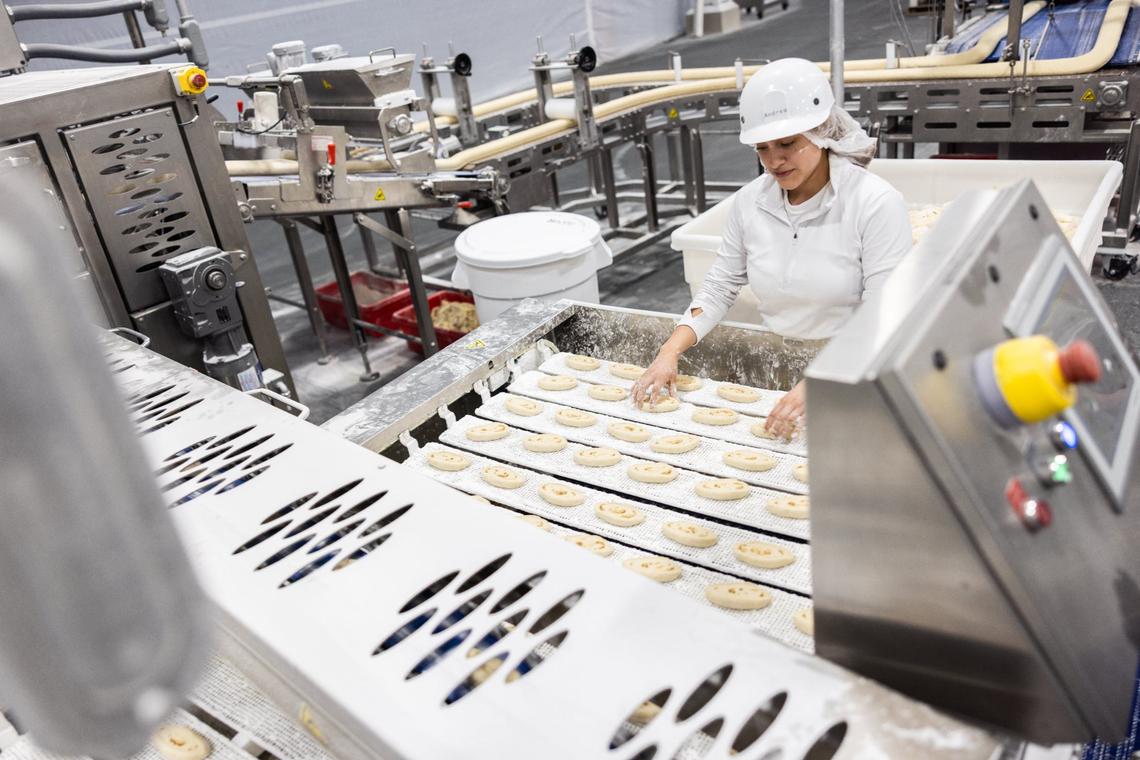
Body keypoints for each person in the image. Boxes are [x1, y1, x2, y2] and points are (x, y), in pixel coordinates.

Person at [632, 57, 911, 439]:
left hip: (856, 372)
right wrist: (670, 351)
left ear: (821, 132)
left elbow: (883, 313)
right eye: (762, 148)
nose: (773, 160)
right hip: (779, 367)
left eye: (787, 143)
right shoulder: (750, 203)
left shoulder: (873, 203)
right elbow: (719, 286)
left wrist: (820, 381)